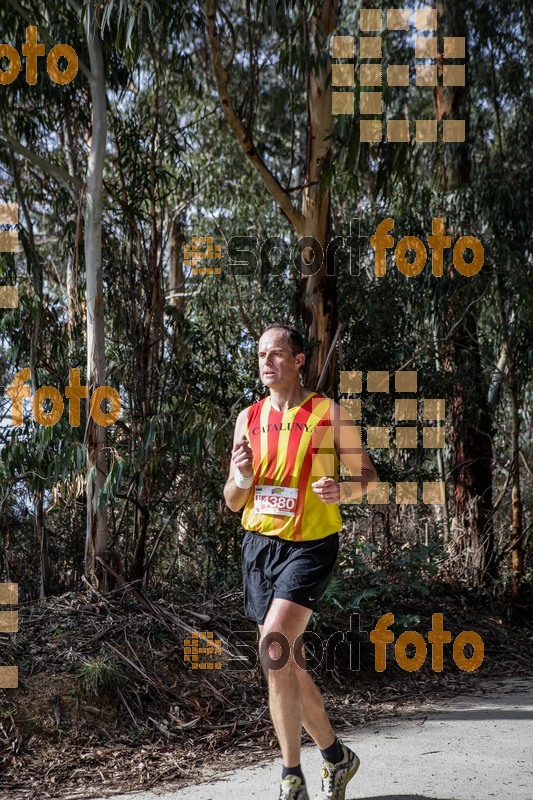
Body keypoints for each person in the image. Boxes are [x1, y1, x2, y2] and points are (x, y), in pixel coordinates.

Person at [224, 323, 377, 800]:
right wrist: (244, 477)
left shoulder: (328, 413)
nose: (266, 362)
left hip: (310, 545)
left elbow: (367, 475)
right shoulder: (247, 418)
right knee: (285, 663)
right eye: (260, 355)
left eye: (276, 354)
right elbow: (231, 500)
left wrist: (342, 490)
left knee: (274, 646)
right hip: (258, 546)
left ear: (298, 361)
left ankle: (292, 777)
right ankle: (337, 757)